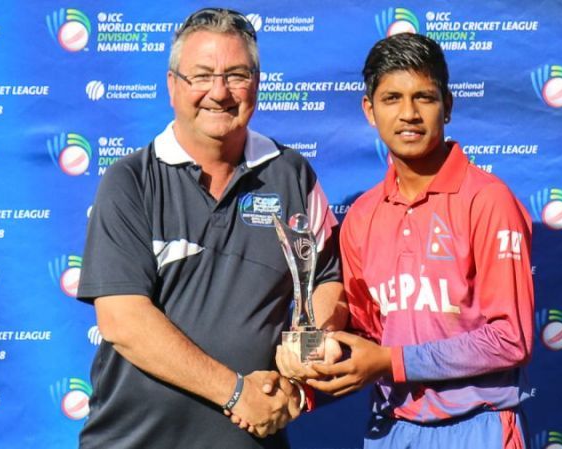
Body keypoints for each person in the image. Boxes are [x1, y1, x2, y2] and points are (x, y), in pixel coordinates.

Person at [76, 8, 343, 449]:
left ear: (256, 83)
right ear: (172, 86)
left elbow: (326, 283)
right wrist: (239, 394)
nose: (219, 93)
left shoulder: (292, 175)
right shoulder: (131, 180)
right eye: (201, 76)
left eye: (236, 75)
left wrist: (301, 370)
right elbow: (123, 321)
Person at [277, 32, 534, 448]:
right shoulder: (363, 216)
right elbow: (366, 336)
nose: (409, 114)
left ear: (447, 106)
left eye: (424, 98)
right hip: (392, 429)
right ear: (369, 110)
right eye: (392, 98)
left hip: (476, 427)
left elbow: (511, 339)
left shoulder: (487, 200)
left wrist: (390, 361)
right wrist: (310, 361)